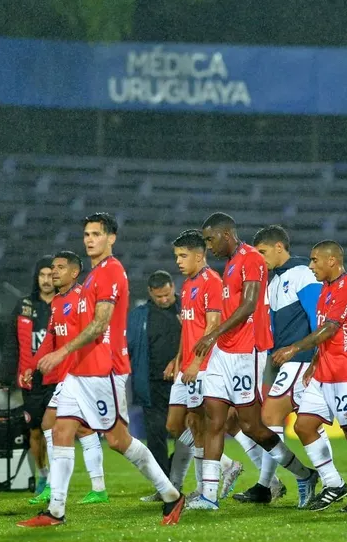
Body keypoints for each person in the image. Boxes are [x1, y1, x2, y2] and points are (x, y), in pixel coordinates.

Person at [18, 212, 184, 527]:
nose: (90, 239)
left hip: (103, 370)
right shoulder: (91, 278)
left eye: (96, 234)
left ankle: (171, 495)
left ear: (111, 238)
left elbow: (100, 324)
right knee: (61, 431)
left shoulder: (111, 272)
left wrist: (61, 352)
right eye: (87, 235)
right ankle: (55, 511)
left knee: (119, 441)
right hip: (79, 373)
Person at [186, 213, 318, 511]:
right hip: (223, 351)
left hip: (247, 352)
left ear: (227, 234)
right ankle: (208, 495)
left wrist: (211, 334)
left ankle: (304, 474)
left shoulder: (251, 260)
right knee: (213, 419)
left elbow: (248, 306)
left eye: (210, 239)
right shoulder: (231, 264)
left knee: (251, 426)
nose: (208, 246)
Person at [272, 241, 347, 512]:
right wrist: (314, 361)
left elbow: (329, 330)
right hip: (323, 370)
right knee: (303, 426)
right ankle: (334, 483)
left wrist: (294, 348)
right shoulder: (325, 290)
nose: (311, 265)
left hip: (346, 371)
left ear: (332, 261)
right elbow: (322, 332)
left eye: (315, 260)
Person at [234, 225, 322, 504]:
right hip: (277, 359)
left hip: (299, 359)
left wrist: (314, 357)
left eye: (262, 252)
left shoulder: (303, 274)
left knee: (274, 420)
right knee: (283, 422)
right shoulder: (273, 282)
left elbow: (318, 317)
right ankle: (266, 485)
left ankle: (315, 478)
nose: (259, 259)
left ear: (279, 247)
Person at [27, 251, 108, 507]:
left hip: (81, 374)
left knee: (51, 423)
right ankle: (97, 488)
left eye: (60, 267)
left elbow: (94, 335)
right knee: (82, 429)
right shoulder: (57, 302)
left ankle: (54, 486)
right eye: (53, 267)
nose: (54, 272)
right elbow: (51, 338)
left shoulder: (83, 298)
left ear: (74, 272)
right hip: (67, 376)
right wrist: (33, 366)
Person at [162, 230, 225, 500]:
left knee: (199, 424)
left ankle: (204, 488)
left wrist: (197, 362)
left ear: (200, 256)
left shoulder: (212, 282)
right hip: (186, 364)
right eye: (176, 256)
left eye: (183, 255)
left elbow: (213, 326)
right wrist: (178, 360)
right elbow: (188, 328)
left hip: (203, 365)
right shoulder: (187, 285)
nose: (178, 261)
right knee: (175, 425)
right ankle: (226, 466)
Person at [0, 256, 55, 495]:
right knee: (34, 430)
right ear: (36, 277)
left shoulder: (65, 304)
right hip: (29, 380)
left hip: (57, 378)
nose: (45, 280)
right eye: (41, 275)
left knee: (51, 428)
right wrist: (4, 376)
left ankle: (55, 479)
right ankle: (42, 476)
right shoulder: (23, 305)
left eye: (50, 275)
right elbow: (12, 343)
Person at [128, 271, 180, 476]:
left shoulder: (186, 309)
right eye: (159, 296)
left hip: (182, 382)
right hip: (151, 385)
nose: (164, 299)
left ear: (173, 287)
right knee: (156, 435)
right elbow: (129, 347)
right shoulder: (139, 315)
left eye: (167, 294)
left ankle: (176, 473)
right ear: (150, 292)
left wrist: (178, 361)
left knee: (187, 434)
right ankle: (165, 483)